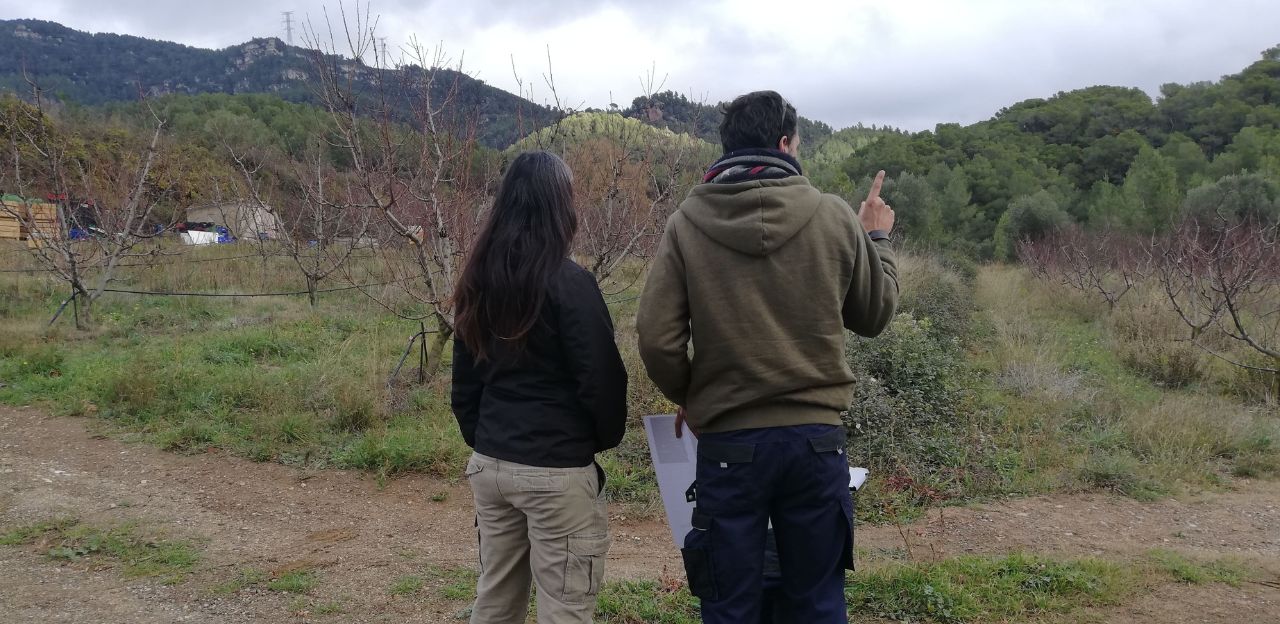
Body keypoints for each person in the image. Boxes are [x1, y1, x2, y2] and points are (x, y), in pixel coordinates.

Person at [636, 90, 899, 623]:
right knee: (817, 602)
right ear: (785, 144)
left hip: (729, 445)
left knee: (730, 604)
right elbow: (875, 315)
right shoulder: (831, 216)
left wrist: (694, 396)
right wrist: (876, 236)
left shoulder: (687, 222)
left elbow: (656, 339)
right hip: (816, 446)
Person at [451, 150, 629, 624]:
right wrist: (592, 444)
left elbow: (464, 386)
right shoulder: (570, 283)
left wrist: (490, 440)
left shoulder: (478, 279)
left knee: (494, 599)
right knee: (566, 607)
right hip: (556, 471)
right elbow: (603, 381)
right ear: (559, 207)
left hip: (491, 466)